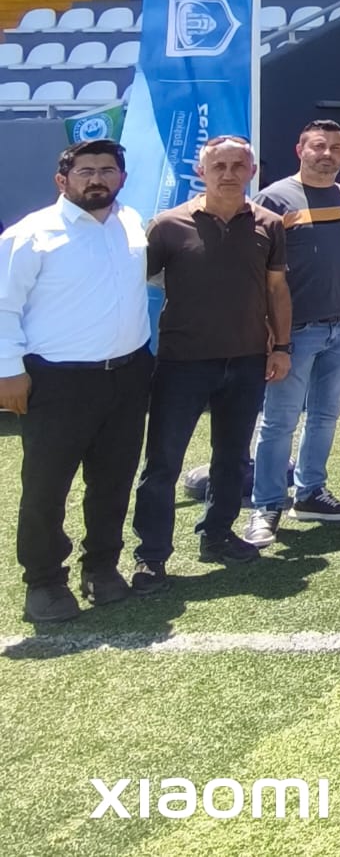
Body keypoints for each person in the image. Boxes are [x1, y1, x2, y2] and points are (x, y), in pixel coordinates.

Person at [1, 139, 151, 622]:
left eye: (107, 170)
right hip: (57, 383)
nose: (97, 179)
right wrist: (7, 373)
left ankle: (102, 568)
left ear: (122, 178)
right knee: (47, 488)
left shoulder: (131, 222)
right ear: (62, 180)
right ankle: (43, 582)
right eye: (86, 171)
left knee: (112, 481)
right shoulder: (31, 235)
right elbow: (4, 307)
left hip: (127, 376)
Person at [132, 136, 290, 579]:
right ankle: (151, 555)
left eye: (238, 165)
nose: (228, 173)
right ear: (201, 172)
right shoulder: (166, 226)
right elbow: (132, 285)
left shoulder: (270, 224)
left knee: (233, 459)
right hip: (182, 362)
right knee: (163, 462)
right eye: (218, 165)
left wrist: (280, 346)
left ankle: (218, 534)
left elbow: (277, 290)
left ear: (252, 171)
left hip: (246, 360)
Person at [246, 120, 340, 548]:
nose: (328, 154)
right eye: (318, 146)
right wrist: (269, 329)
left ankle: (311, 493)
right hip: (295, 332)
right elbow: (260, 271)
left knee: (324, 417)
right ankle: (267, 504)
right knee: (279, 421)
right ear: (299, 148)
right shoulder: (272, 198)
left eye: (336, 147)